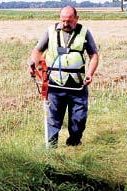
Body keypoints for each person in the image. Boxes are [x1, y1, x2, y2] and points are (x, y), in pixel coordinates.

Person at [30, 6, 99, 147]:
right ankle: (51, 150)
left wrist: (90, 74)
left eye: (69, 21)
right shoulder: (50, 31)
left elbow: (94, 55)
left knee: (78, 120)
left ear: (77, 18)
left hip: (78, 86)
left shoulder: (84, 33)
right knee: (53, 119)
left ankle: (73, 145)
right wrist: (33, 66)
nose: (65, 24)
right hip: (55, 85)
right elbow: (37, 51)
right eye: (63, 21)